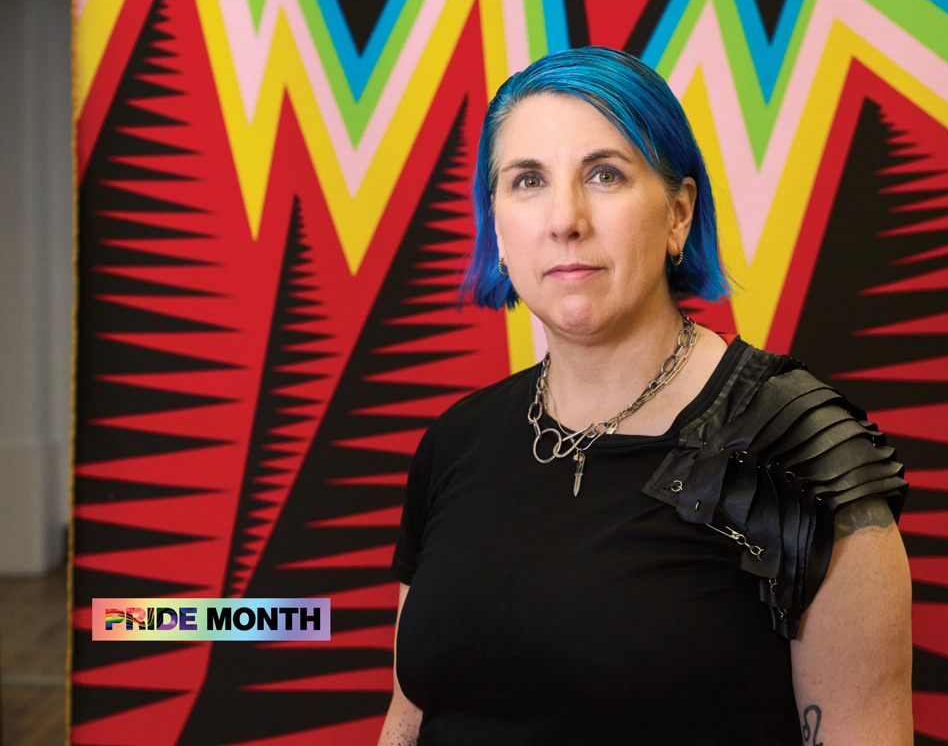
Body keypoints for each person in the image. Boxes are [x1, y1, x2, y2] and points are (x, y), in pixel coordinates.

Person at [378, 47, 912, 746]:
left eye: (604, 174)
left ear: (678, 214)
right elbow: (409, 716)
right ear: (498, 229)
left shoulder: (800, 452)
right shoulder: (457, 443)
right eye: (528, 180)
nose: (565, 218)